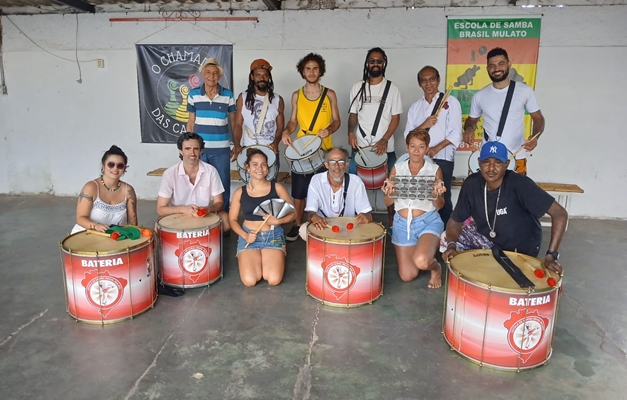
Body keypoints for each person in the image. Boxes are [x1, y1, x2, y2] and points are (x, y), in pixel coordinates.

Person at [442, 141, 567, 274]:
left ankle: (491, 267)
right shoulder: (472, 183)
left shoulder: (520, 184)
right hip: (490, 240)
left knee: (505, 273)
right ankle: (482, 269)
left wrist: (551, 255)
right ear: (479, 162)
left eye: (497, 162)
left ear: (506, 164)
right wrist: (451, 246)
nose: (491, 168)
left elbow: (560, 213)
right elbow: (455, 221)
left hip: (519, 248)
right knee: (446, 239)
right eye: (486, 162)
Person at [281, 53, 341, 242]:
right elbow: (292, 122)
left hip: (323, 149)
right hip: (302, 149)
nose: (312, 72)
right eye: (308, 68)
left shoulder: (329, 94)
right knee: (299, 191)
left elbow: (337, 121)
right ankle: (298, 224)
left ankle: (323, 223)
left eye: (315, 68)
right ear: (302, 71)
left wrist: (329, 130)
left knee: (325, 188)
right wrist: (286, 132)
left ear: (320, 70)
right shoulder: (297, 95)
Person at [463, 47, 545, 175]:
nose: (496, 69)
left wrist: (535, 137)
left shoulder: (524, 91)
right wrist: (469, 129)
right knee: (488, 194)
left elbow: (538, 118)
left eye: (501, 64)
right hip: (489, 158)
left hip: (516, 156)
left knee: (517, 194)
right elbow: (472, 120)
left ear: (509, 64)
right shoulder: (480, 95)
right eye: (492, 65)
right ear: (487, 69)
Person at [382, 129, 446, 288]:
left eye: (421, 146)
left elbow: (440, 205)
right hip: (402, 225)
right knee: (407, 276)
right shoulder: (398, 168)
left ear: (427, 148)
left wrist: (435, 194)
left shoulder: (435, 170)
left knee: (422, 261)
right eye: (413, 146)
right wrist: (389, 192)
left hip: (428, 221)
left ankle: (436, 267)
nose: (417, 151)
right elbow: (388, 202)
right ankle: (422, 251)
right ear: (407, 147)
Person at [348, 47, 403, 229]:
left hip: (385, 147)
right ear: (367, 63)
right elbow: (353, 115)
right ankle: (356, 220)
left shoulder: (392, 88)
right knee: (353, 184)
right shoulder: (357, 87)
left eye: (379, 61)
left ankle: (393, 221)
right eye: (372, 61)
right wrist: (350, 132)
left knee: (391, 186)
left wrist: (385, 139)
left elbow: (395, 118)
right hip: (361, 147)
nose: (376, 64)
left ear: (384, 63)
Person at [403, 66, 462, 226]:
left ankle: (445, 238)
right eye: (424, 80)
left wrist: (436, 148)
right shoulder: (416, 107)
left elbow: (456, 133)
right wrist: (424, 124)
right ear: (419, 83)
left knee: (442, 196)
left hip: (442, 159)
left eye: (432, 79)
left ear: (438, 80)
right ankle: (424, 231)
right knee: (420, 196)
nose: (428, 83)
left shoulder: (451, 102)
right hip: (419, 160)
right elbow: (407, 136)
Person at [229, 148, 295, 286]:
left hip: (273, 236)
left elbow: (293, 213)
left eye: (263, 164)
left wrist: (279, 221)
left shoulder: (277, 188)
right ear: (247, 168)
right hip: (249, 237)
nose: (260, 168)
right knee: (250, 281)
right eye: (255, 164)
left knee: (273, 279)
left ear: (268, 168)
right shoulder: (239, 192)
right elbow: (232, 220)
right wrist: (245, 235)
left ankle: (276, 253)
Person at [186, 58, 236, 211]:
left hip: (221, 150)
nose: (211, 76)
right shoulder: (194, 94)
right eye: (208, 72)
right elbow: (191, 122)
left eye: (215, 73)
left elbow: (234, 123)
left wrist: (236, 144)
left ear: (219, 76)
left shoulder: (227, 95)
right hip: (200, 150)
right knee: (200, 185)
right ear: (202, 74)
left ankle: (224, 220)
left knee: (222, 186)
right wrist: (188, 147)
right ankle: (203, 218)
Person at [157, 132, 230, 232]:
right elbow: (161, 209)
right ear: (180, 151)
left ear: (201, 151)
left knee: (226, 219)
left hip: (203, 216)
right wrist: (183, 209)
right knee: (156, 227)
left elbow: (219, 203)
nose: (192, 153)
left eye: (196, 149)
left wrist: (207, 209)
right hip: (178, 217)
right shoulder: (169, 174)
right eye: (187, 149)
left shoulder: (211, 171)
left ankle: (211, 243)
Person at [299, 147, 373, 240]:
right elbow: (310, 213)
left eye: (341, 162)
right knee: (303, 230)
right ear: (326, 164)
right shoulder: (316, 180)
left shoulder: (356, 181)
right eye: (332, 162)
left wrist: (367, 216)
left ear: (346, 164)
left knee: (367, 230)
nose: (337, 166)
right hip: (324, 227)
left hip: (348, 227)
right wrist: (313, 217)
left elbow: (366, 213)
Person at [72, 145, 137, 234]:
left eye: (120, 166)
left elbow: (132, 224)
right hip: (87, 235)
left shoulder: (128, 191)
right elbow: (80, 218)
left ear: (124, 168)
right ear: (103, 165)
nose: (115, 168)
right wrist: (96, 226)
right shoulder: (91, 187)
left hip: (114, 238)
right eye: (111, 164)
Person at [233, 59, 285, 164]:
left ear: (269, 77)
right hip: (249, 149)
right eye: (258, 75)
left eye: (265, 75)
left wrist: (276, 143)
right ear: (252, 77)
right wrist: (237, 144)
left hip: (270, 149)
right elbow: (238, 124)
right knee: (251, 180)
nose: (262, 78)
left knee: (271, 180)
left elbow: (280, 127)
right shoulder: (243, 98)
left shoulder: (278, 99)